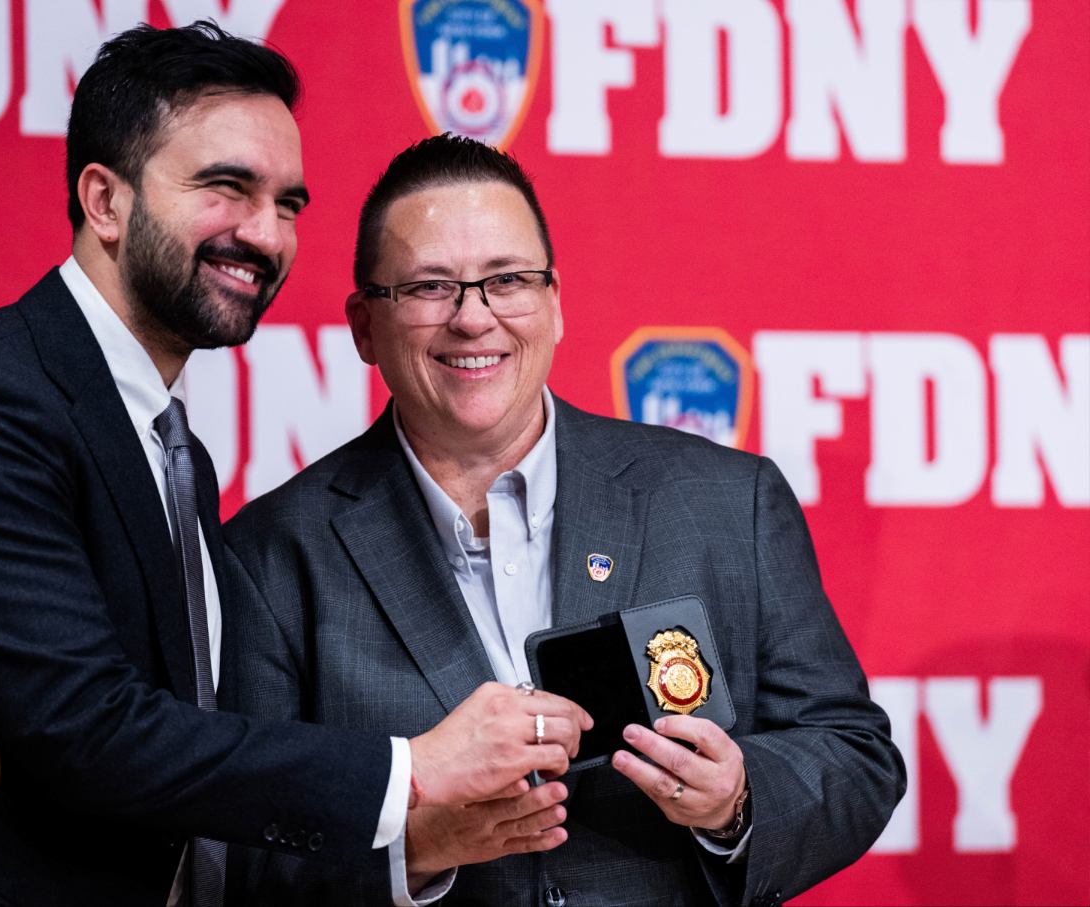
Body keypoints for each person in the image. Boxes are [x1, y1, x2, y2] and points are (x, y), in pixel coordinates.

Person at [0, 26, 591, 907]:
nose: (264, 233)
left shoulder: (164, 440)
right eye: (227, 188)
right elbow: (89, 733)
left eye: (288, 204)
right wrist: (413, 767)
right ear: (104, 200)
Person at [222, 134, 906, 907]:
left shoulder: (726, 501)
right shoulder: (273, 553)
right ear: (364, 326)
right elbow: (240, 855)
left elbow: (854, 756)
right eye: (428, 288)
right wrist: (418, 847)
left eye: (506, 280)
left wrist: (737, 799)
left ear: (553, 303)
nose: (472, 319)